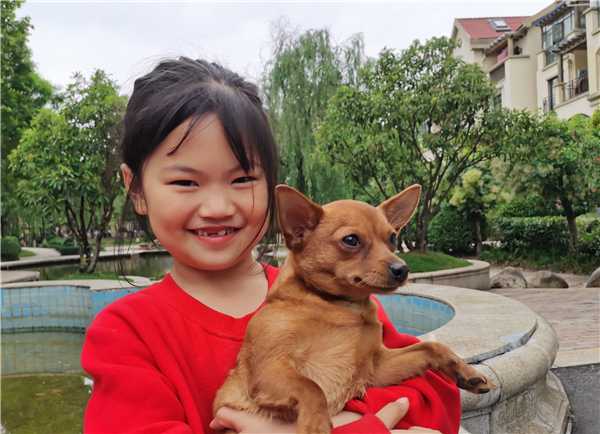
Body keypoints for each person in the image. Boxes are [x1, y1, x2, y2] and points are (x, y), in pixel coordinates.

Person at [81, 57, 461, 434]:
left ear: (272, 187)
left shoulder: (341, 291)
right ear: (136, 190)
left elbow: (438, 396)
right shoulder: (126, 332)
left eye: (242, 179)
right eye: (185, 182)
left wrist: (332, 423)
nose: (218, 207)